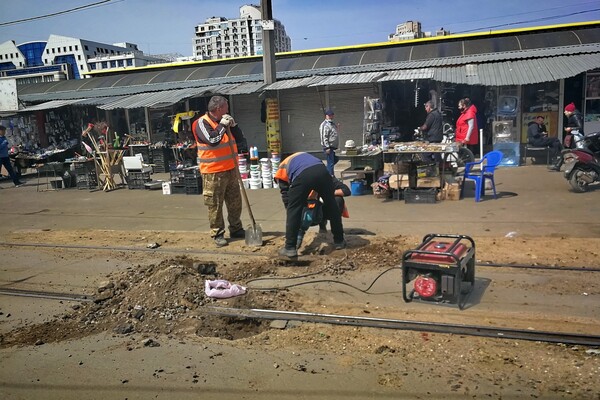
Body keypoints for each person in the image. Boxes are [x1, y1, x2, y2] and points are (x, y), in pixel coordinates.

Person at [192, 95, 248, 247]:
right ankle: (217, 233)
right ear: (218, 109)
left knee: (235, 202)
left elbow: (240, 139)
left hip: (230, 169)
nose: (228, 110)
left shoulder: (224, 123)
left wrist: (234, 126)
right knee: (215, 205)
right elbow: (213, 141)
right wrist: (223, 126)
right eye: (226, 108)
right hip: (213, 172)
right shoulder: (201, 123)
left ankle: (236, 228)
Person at [274, 152, 346, 259]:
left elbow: (286, 196)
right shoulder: (305, 157)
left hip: (303, 175)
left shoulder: (282, 168)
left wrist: (292, 214)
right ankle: (339, 240)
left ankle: (289, 247)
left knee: (293, 209)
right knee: (332, 205)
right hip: (322, 172)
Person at [296, 177, 350, 248]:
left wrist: (327, 193)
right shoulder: (299, 179)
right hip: (307, 212)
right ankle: (297, 238)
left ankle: (338, 239)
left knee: (338, 200)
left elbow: (346, 191)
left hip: (324, 211)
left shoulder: (326, 178)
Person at [550, 103, 585, 171]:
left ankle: (559, 166)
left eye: (566, 110)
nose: (564, 112)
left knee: (569, 151)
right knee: (565, 151)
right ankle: (558, 165)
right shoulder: (573, 116)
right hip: (571, 137)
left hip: (574, 138)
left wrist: (570, 128)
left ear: (570, 111)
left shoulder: (575, 116)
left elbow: (580, 127)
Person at [319, 108, 339, 176]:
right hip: (328, 147)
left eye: (332, 115)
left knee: (335, 159)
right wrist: (326, 147)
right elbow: (323, 137)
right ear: (326, 116)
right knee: (330, 163)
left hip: (334, 147)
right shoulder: (324, 125)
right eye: (329, 115)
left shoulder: (332, 123)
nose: (331, 116)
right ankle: (331, 177)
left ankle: (327, 172)